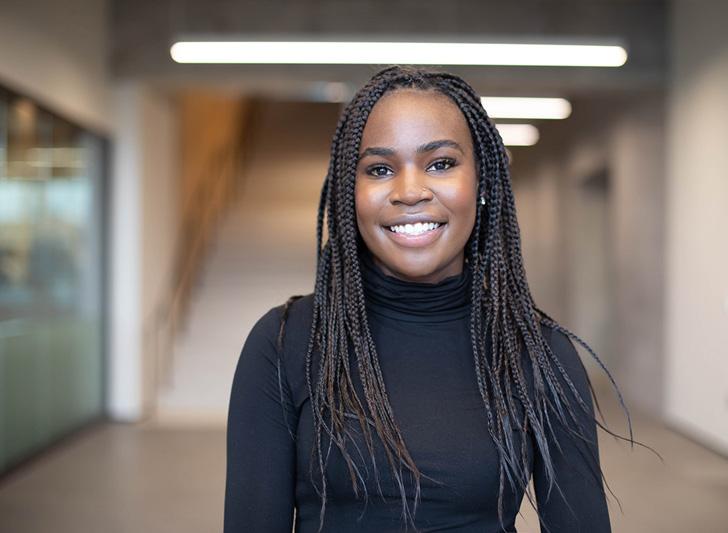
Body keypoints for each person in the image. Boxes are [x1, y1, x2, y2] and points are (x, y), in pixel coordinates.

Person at [224, 66, 628, 532]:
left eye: (440, 163)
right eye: (379, 169)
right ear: (348, 193)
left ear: (481, 182)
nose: (411, 191)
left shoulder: (539, 353)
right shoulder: (285, 343)